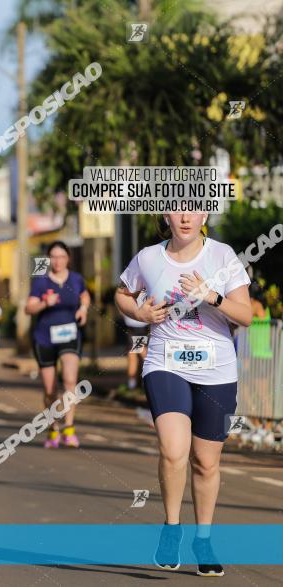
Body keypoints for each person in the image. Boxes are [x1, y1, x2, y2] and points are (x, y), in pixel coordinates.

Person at [115, 212, 251, 577]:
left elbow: (247, 315)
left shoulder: (223, 257)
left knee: (206, 463)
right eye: (178, 209)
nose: (186, 217)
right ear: (166, 215)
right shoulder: (148, 257)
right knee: (173, 450)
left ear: (204, 214)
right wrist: (138, 310)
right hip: (165, 363)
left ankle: (203, 540)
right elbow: (122, 295)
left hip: (216, 370)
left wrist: (212, 295)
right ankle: (172, 527)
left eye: (193, 209)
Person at [25, 241, 90, 449]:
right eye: (53, 256)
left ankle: (69, 428)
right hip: (45, 338)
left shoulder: (76, 279)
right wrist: (45, 303)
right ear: (48, 259)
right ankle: (53, 428)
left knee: (70, 380)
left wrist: (84, 309)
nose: (58, 261)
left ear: (68, 258)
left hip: (70, 335)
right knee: (50, 389)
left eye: (61, 256)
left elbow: (85, 295)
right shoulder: (41, 281)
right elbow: (28, 308)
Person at [124, 314, 149, 390]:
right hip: (140, 323)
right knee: (138, 353)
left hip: (137, 324)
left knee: (136, 354)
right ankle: (134, 382)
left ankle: (133, 383)